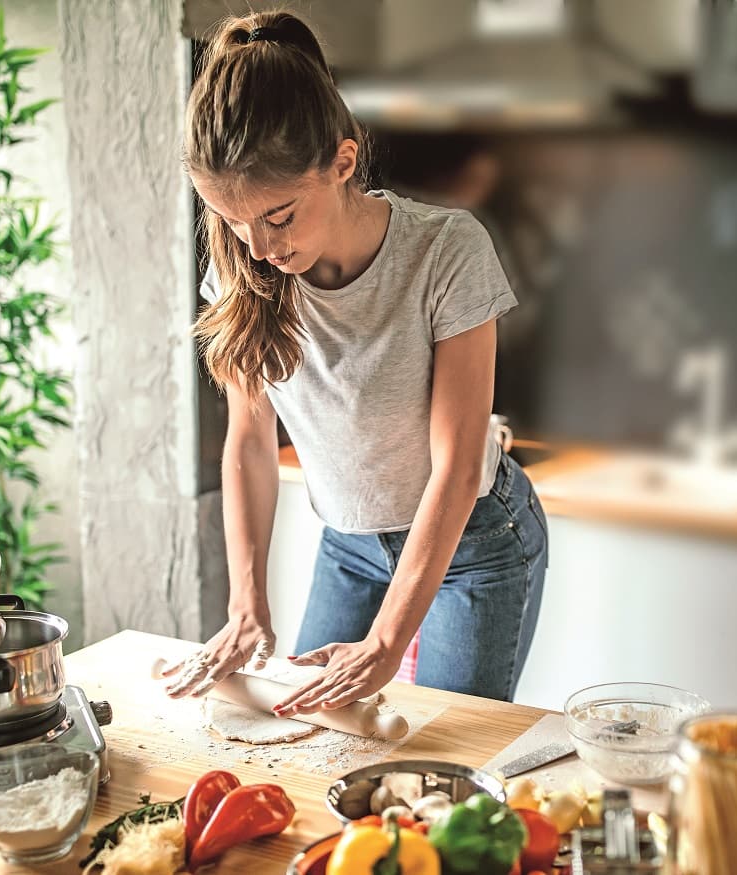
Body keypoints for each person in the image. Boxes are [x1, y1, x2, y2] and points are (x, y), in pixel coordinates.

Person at [161, 11, 548, 716]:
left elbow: (459, 466)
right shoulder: (246, 269)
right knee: (307, 734)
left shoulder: (446, 253)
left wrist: (386, 642)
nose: (257, 249)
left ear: (342, 162)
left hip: (474, 542)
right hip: (349, 542)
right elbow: (249, 439)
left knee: (438, 758)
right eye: (231, 220)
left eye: (278, 216)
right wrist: (247, 602)